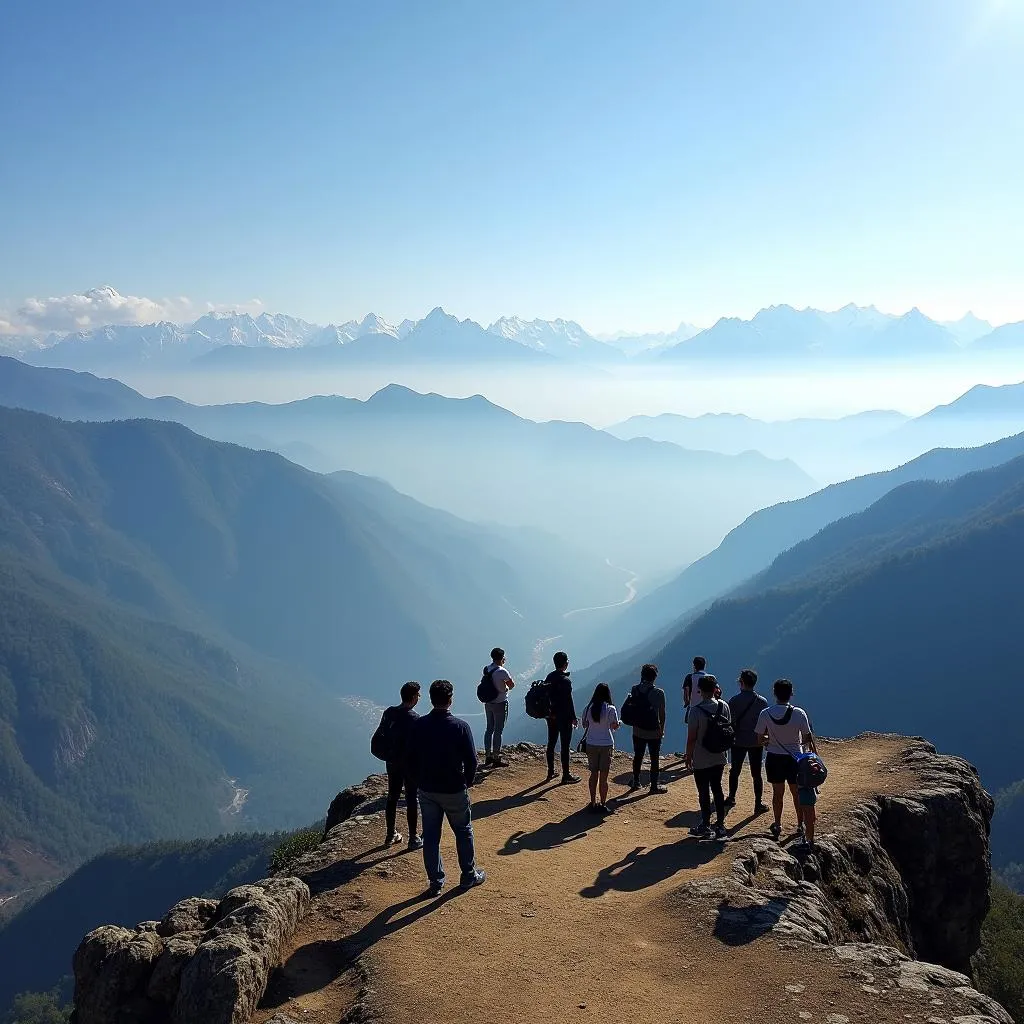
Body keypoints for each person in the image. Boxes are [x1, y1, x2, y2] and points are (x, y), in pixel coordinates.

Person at [409, 679, 486, 896]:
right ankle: (468, 876)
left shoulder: (419, 725)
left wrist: (418, 781)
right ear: (450, 699)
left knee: (431, 836)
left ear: (431, 700)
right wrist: (467, 782)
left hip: (427, 789)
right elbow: (472, 761)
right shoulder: (461, 727)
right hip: (454, 788)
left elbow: (411, 758)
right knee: (463, 831)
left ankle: (435, 882)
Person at [755, 678, 818, 847]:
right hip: (795, 758)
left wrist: (769, 742)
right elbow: (806, 738)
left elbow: (760, 738)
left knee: (778, 793)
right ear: (791, 693)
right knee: (797, 793)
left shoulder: (765, 714)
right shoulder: (799, 713)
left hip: (774, 758)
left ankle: (777, 823)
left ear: (774, 693)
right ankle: (800, 824)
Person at [684, 674, 731, 840]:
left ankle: (705, 824)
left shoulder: (696, 711)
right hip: (719, 755)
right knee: (717, 788)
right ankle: (720, 825)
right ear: (715, 689)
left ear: (699, 690)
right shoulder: (724, 706)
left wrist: (688, 756)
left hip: (701, 756)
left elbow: (692, 738)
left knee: (703, 791)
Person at [378, 681, 423, 850]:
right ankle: (413, 837)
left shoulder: (389, 713)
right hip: (410, 765)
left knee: (392, 796)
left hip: (392, 762)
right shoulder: (414, 719)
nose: (419, 697)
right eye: (418, 695)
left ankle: (390, 834)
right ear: (413, 697)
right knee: (412, 797)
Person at [725, 669, 770, 814]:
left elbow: (729, 721)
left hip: (738, 741)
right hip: (756, 742)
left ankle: (731, 797)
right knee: (756, 773)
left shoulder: (734, 701)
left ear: (741, 682)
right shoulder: (762, 702)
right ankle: (758, 803)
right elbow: (765, 724)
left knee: (735, 771)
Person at [580, 683, 619, 814]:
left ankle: (592, 802)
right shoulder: (611, 709)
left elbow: (584, 725)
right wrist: (617, 724)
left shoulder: (588, 708)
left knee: (593, 774)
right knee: (604, 777)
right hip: (606, 744)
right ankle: (603, 803)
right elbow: (614, 727)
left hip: (591, 743)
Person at [628, 664, 667, 794]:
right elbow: (662, 713)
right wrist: (661, 729)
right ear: (655, 677)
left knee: (638, 756)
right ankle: (654, 785)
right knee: (654, 758)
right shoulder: (659, 693)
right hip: (654, 730)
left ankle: (636, 781)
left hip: (638, 729)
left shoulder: (635, 689)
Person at [544, 651, 580, 784]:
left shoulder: (549, 677)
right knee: (565, 746)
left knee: (551, 742)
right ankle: (566, 775)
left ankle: (551, 771)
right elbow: (568, 701)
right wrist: (573, 717)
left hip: (551, 716)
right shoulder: (565, 681)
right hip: (563, 716)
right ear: (566, 664)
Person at [482, 647, 515, 768]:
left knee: (489, 729)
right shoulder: (502, 671)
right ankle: (496, 757)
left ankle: (487, 756)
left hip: (488, 703)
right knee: (498, 730)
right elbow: (511, 685)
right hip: (500, 703)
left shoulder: (487, 669)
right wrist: (505, 688)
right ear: (502, 658)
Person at [682, 656, 707, 723]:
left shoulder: (689, 677)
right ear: (704, 666)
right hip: (707, 709)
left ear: (694, 665)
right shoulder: (710, 678)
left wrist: (686, 702)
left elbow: (686, 691)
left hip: (693, 707)